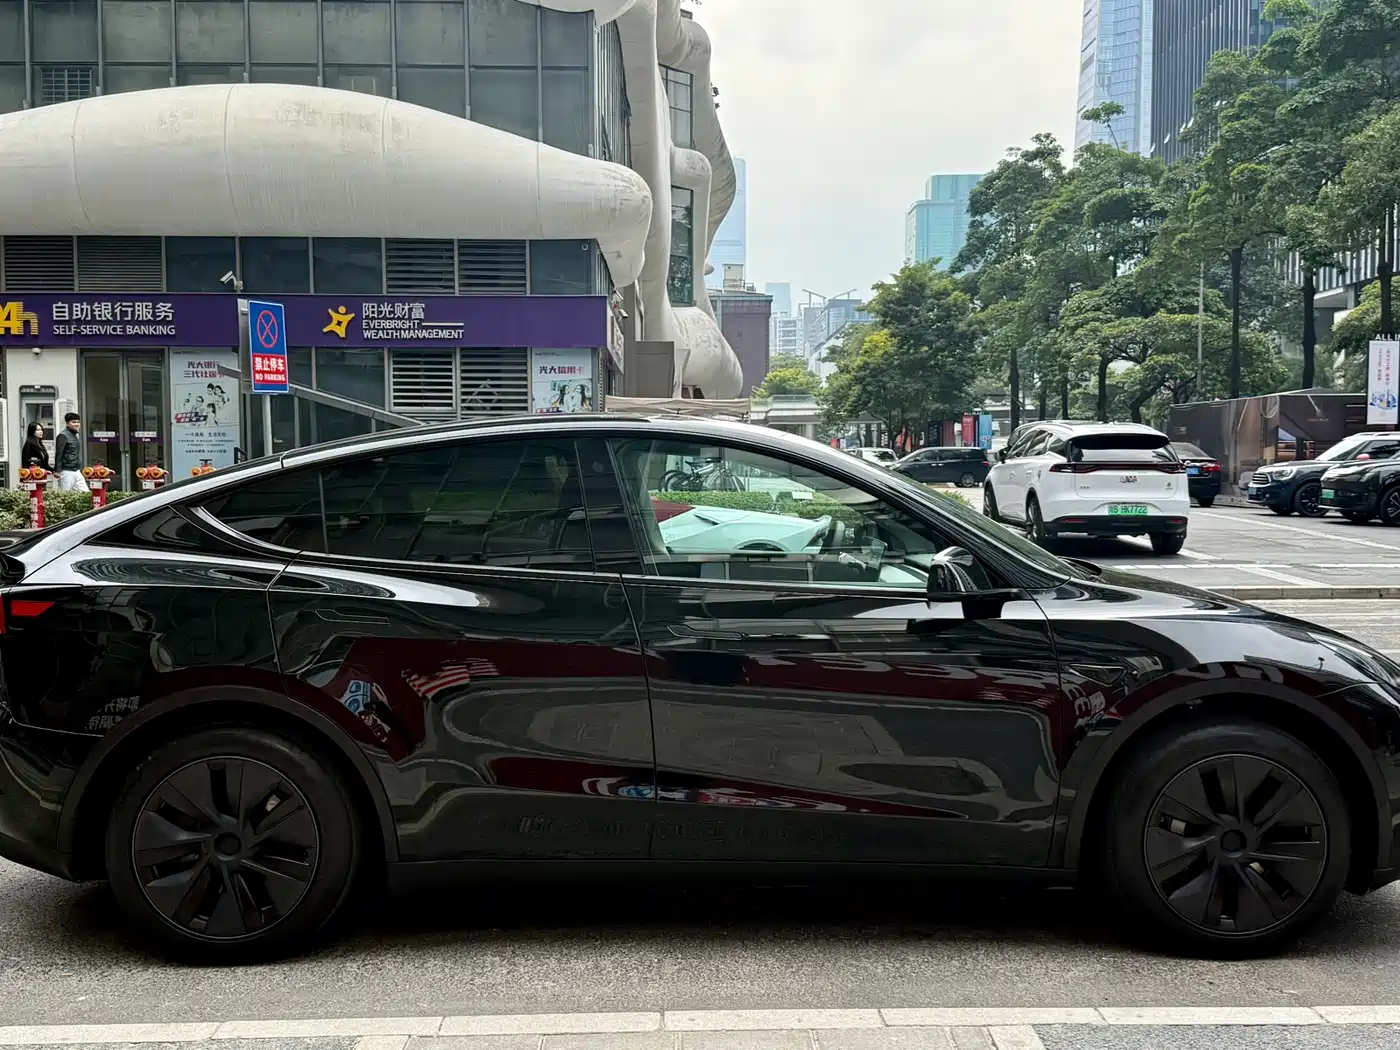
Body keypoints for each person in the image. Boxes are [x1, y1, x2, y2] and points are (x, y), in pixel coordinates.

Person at [53, 412, 84, 492]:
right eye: (73, 422)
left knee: (85, 493)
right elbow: (59, 453)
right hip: (66, 471)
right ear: (67, 423)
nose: (77, 424)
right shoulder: (63, 435)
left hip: (76, 470)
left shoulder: (74, 435)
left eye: (78, 422)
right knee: (64, 495)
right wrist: (58, 470)